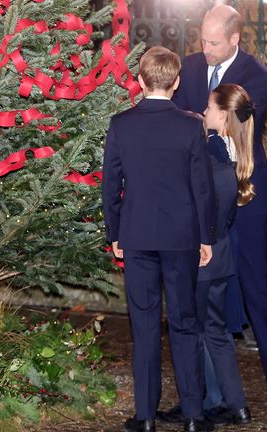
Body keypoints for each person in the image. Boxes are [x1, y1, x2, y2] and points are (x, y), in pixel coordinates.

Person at [172, 4, 267, 408]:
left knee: (257, 285)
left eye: (213, 42)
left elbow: (230, 122)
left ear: (235, 39)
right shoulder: (189, 67)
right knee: (198, 292)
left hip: (246, 196)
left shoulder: (259, 77)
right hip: (198, 197)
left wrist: (195, 118)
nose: (204, 48)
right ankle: (205, 391)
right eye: (202, 39)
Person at [102, 46, 217, 432]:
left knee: (145, 324)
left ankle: (146, 416)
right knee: (184, 323)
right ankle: (192, 416)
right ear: (177, 82)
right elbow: (202, 188)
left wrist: (115, 233)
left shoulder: (121, 124)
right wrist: (206, 237)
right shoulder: (190, 125)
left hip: (136, 234)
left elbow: (110, 187)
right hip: (181, 236)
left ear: (139, 80)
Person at [195, 84, 256, 425]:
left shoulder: (214, 151)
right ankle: (233, 402)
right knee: (215, 331)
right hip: (222, 254)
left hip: (204, 253)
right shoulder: (235, 151)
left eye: (208, 106)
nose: (204, 112)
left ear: (221, 114)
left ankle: (207, 400)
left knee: (199, 331)